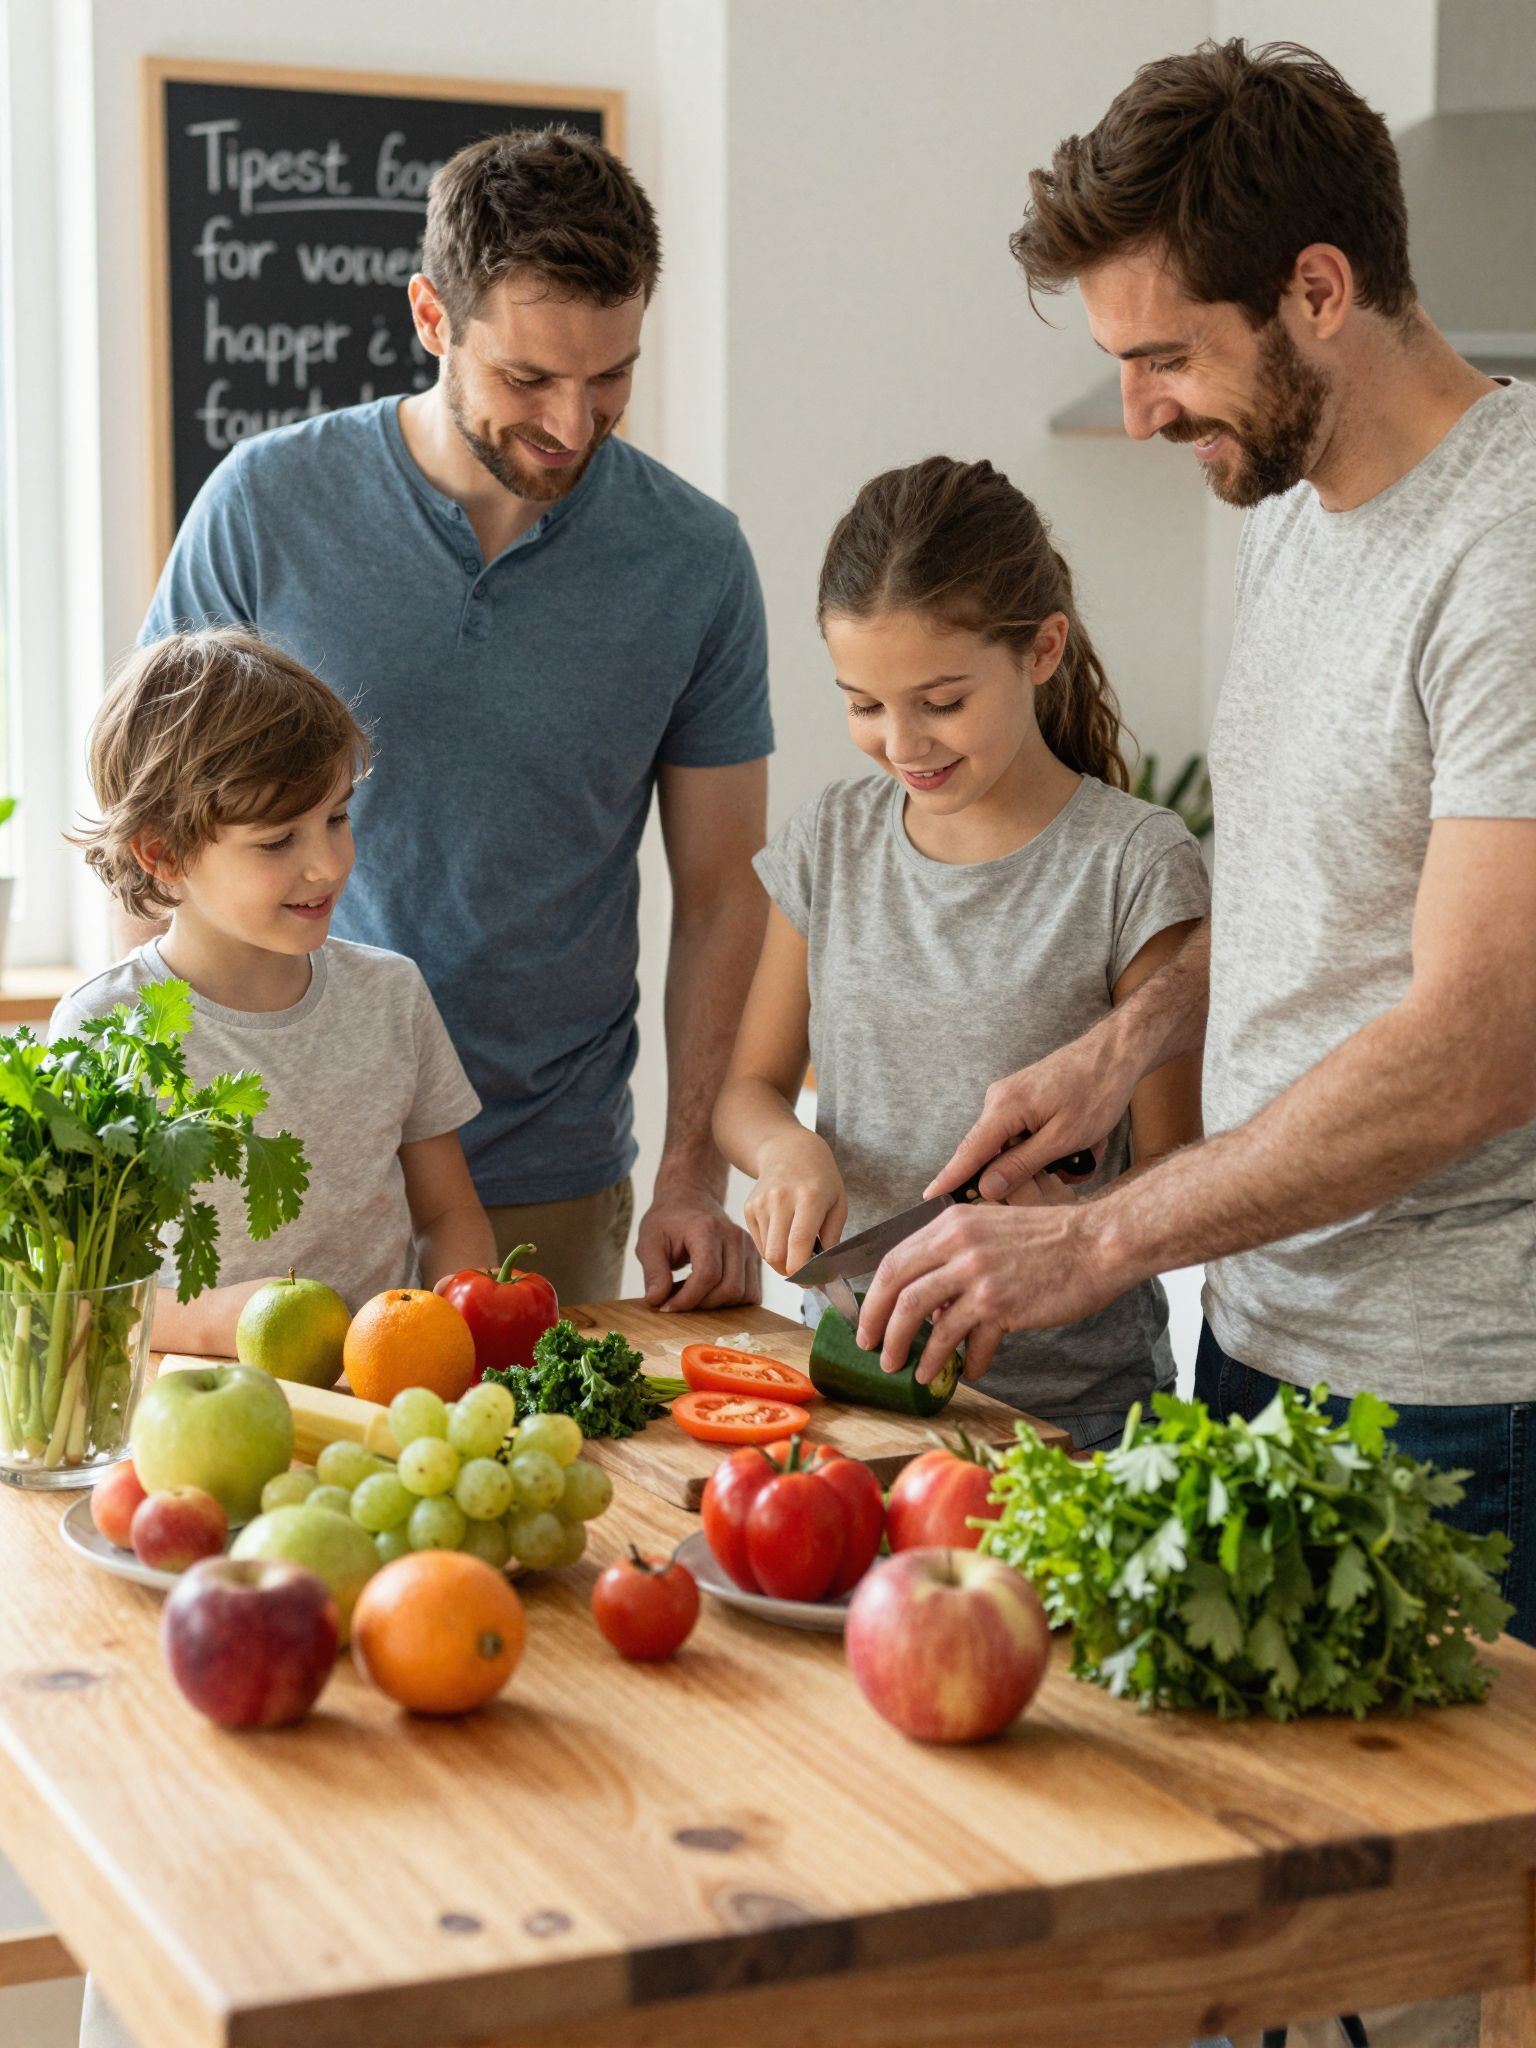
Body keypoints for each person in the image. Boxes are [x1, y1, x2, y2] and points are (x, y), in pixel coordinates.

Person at [854, 41, 1536, 1644]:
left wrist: (1098, 1239)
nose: (1144, 408)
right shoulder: (1300, 507)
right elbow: (1327, 900)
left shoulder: (1507, 558)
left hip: (1455, 1404)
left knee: (1430, 1898)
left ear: (1316, 288)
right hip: (1264, 1337)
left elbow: (1482, 1043)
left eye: (1166, 355)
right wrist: (1127, 1045)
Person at [129, 127, 772, 1313]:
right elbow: (155, 830)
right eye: (528, 379)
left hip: (555, 1174)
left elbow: (726, 885)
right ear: (433, 317)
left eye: (612, 374)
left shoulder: (696, 560)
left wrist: (693, 1168)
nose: (575, 425)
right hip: (278, 1168)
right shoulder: (263, 507)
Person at [714, 456, 1209, 1451]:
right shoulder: (833, 842)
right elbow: (748, 1089)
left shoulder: (1133, 863)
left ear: (1041, 650)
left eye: (940, 700)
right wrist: (786, 1150)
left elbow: (1177, 1172)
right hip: (856, 1387)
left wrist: (1065, 1222)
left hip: (1076, 1416)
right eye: (863, 702)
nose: (902, 741)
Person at [52, 628, 494, 1354]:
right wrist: (220, 1322)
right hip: (189, 1412)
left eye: (336, 818)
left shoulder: (392, 995)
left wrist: (451, 1331)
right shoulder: (102, 1024)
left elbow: (448, 1216)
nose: (326, 864)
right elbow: (80, 1288)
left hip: (378, 1403)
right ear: (163, 853)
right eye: (276, 841)